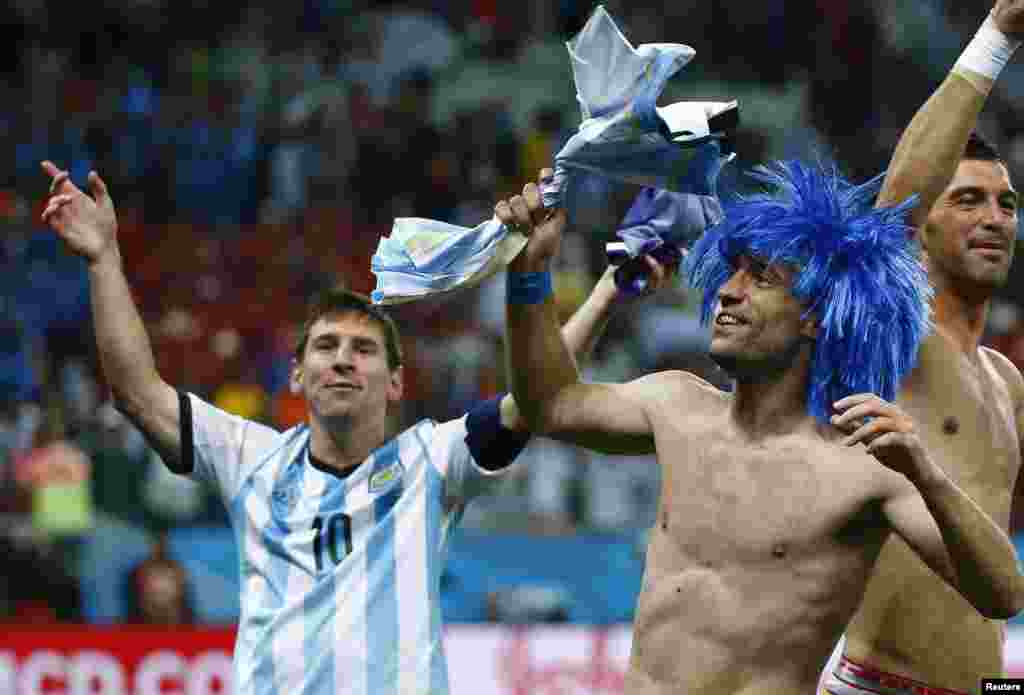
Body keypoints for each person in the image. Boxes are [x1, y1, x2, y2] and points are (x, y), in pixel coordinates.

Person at [37, 159, 672, 695]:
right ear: (295, 376)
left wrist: (609, 289)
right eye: (326, 346)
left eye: (364, 349)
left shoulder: (430, 461)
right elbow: (137, 393)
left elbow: (538, 395)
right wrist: (102, 260)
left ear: (396, 383)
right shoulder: (248, 457)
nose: (343, 358)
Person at [496, 164, 1024, 695]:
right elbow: (550, 405)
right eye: (732, 272)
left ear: (815, 316)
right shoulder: (676, 405)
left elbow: (1002, 595)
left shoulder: (862, 469)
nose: (727, 291)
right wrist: (529, 273)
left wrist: (928, 475)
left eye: (761, 276)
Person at [820, 2, 1024, 692]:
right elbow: (894, 207)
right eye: (967, 200)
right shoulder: (897, 339)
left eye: (1007, 204)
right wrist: (999, 35)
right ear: (924, 230)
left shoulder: (1005, 377)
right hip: (885, 682)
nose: (994, 218)